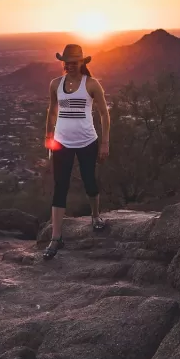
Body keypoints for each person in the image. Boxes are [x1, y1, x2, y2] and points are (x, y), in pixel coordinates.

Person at [42, 43, 111, 259]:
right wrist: (48, 135)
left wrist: (105, 142)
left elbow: (104, 115)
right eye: (66, 62)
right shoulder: (55, 84)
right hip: (62, 142)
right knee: (60, 186)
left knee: (89, 180)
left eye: (74, 62)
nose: (69, 66)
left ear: (82, 62)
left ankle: (96, 216)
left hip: (87, 141)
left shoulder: (91, 84)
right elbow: (52, 110)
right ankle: (56, 237)